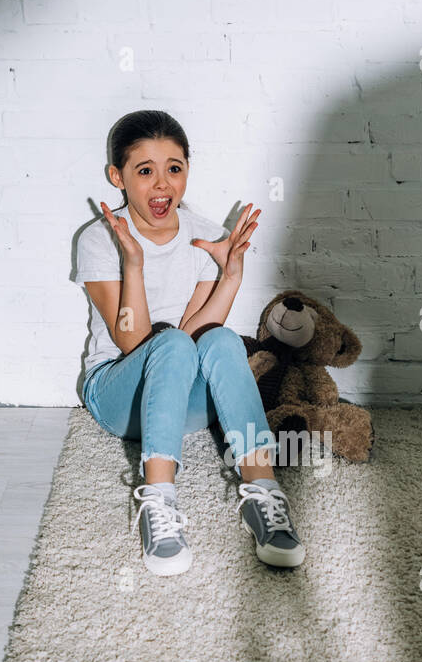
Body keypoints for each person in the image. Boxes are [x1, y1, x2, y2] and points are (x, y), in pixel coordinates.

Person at [74, 108, 305, 576]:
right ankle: (159, 503)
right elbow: (132, 339)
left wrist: (231, 274)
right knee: (171, 344)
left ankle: (262, 493)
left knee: (220, 340)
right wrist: (133, 264)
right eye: (145, 171)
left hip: (179, 401)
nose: (162, 185)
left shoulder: (205, 235)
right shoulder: (100, 239)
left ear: (186, 172)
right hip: (120, 396)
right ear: (117, 177)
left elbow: (199, 332)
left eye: (173, 169)